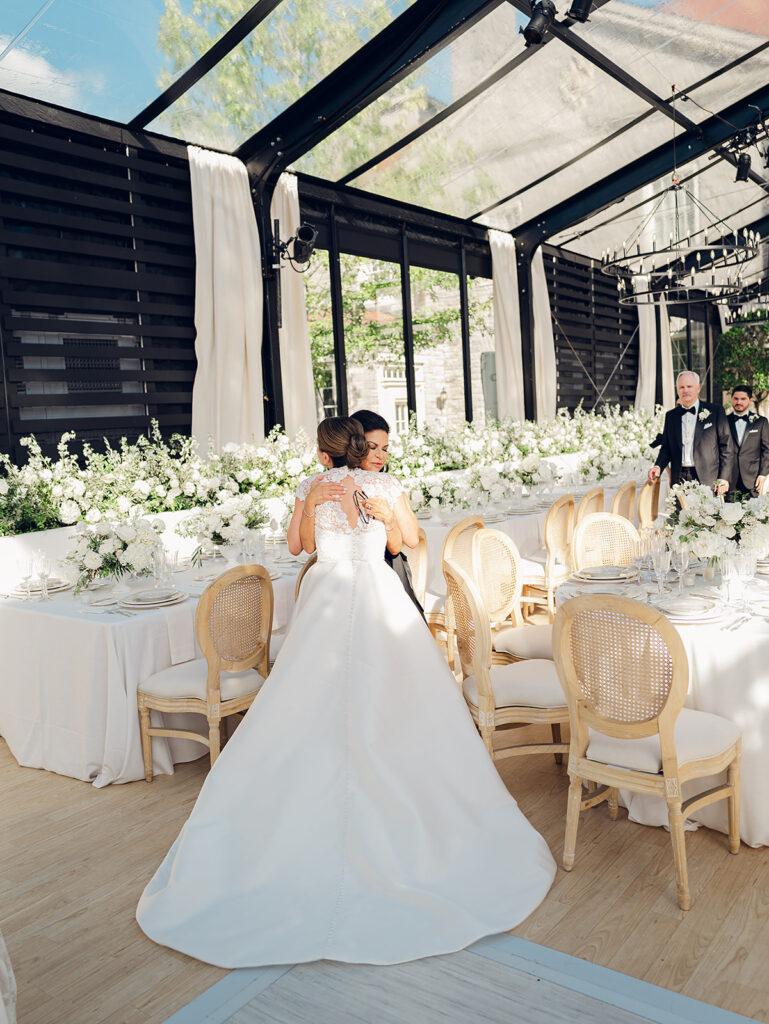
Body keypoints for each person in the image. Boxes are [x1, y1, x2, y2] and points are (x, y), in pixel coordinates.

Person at [136, 417, 555, 968]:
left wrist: (313, 508)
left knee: (306, 703)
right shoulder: (385, 487)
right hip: (378, 595)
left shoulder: (311, 487)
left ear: (321, 453)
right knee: (398, 704)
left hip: (328, 597)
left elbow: (296, 548)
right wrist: (381, 516)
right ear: (359, 449)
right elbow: (406, 542)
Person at [351, 408, 424, 617]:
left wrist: (389, 517)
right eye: (371, 447)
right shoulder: (334, 484)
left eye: (384, 448)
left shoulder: (388, 483)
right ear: (354, 446)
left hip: (384, 570)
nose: (380, 455)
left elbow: (411, 539)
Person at [648, 370, 733, 494]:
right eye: (681, 387)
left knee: (706, 513)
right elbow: (667, 447)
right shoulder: (671, 416)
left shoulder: (715, 411)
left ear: (698, 388)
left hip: (708, 479)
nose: (685, 390)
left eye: (689, 386)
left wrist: (724, 477)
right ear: (677, 390)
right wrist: (658, 466)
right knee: (680, 513)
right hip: (679, 478)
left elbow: (727, 447)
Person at [726, 384, 769, 497]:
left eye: (743, 399)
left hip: (753, 481)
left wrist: (763, 474)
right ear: (731, 399)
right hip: (730, 481)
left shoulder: (761, 422)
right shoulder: (723, 421)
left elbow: (767, 450)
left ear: (750, 400)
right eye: (736, 398)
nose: (738, 402)